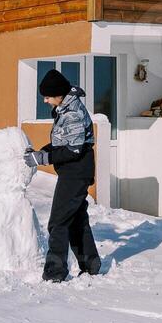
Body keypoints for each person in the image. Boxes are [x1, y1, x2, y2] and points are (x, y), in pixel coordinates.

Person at [30, 68, 102, 282]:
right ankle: (91, 263)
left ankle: (55, 271)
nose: (45, 100)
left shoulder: (72, 114)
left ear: (59, 94)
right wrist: (42, 152)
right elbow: (63, 142)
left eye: (48, 96)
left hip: (75, 172)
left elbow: (73, 150)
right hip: (75, 170)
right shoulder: (66, 108)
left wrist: (42, 159)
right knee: (76, 218)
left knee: (58, 222)